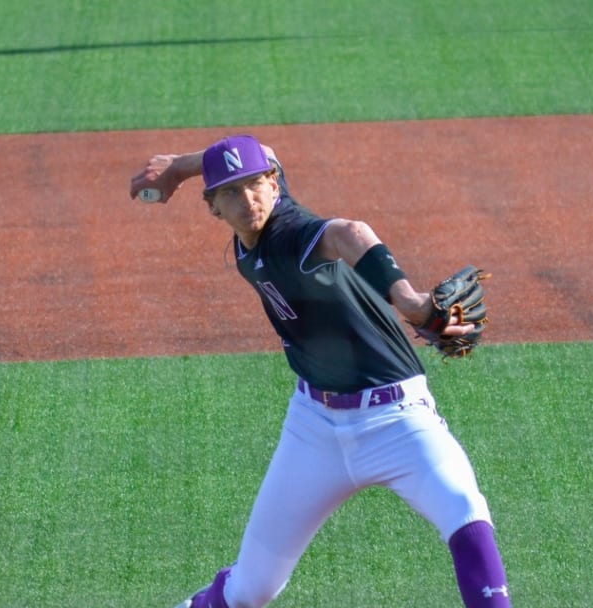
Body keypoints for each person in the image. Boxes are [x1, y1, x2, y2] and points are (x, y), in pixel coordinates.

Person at [129, 135, 510, 608]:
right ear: (213, 207)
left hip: (398, 419)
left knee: (466, 514)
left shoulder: (291, 230)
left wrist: (409, 301)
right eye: (231, 192)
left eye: (255, 186)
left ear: (273, 184)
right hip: (314, 427)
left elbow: (350, 232)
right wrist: (181, 167)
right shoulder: (257, 211)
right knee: (252, 588)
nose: (247, 200)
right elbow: (257, 151)